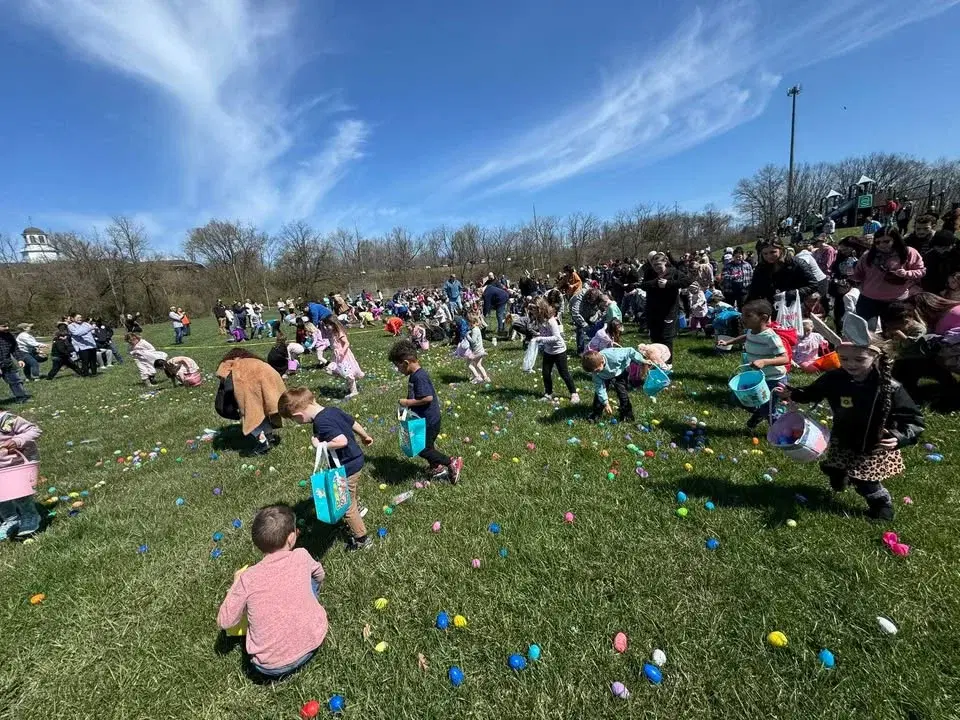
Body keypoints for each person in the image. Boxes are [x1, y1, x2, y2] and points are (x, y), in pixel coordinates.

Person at [775, 314, 923, 521]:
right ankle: (838, 473)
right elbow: (812, 392)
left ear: (875, 358)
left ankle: (881, 505)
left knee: (865, 481)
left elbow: (913, 420)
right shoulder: (835, 378)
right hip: (843, 436)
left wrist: (899, 436)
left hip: (874, 442)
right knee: (837, 465)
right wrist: (793, 393)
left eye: (859, 359)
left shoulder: (890, 388)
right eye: (844, 359)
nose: (850, 364)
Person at [217, 504, 328, 679]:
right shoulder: (301, 555)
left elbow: (225, 621)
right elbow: (319, 575)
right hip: (314, 642)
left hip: (271, 667)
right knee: (310, 581)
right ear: (292, 537)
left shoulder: (248, 578)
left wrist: (236, 583)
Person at [278, 387, 373, 551]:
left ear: (298, 416)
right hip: (356, 459)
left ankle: (362, 538)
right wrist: (365, 436)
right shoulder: (332, 410)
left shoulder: (321, 422)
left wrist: (320, 444)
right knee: (350, 493)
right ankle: (358, 509)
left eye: (294, 420)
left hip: (347, 466)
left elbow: (341, 441)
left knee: (345, 505)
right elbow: (353, 423)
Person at [388, 340, 463, 482]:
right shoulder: (414, 375)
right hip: (424, 419)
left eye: (397, 366)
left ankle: (451, 461)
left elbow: (427, 398)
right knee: (427, 446)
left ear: (405, 362)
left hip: (429, 420)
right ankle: (436, 467)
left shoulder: (419, 377)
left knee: (421, 448)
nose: (398, 370)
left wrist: (407, 402)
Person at [717, 299, 790, 430]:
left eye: (748, 316)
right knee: (737, 399)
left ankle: (782, 431)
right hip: (759, 378)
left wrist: (765, 362)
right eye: (742, 314)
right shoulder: (752, 330)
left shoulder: (770, 337)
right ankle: (760, 412)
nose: (742, 318)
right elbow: (746, 337)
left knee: (768, 410)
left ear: (763, 318)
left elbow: (785, 359)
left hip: (775, 379)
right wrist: (729, 342)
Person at [215, 348, 287, 456]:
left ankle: (262, 441)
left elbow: (226, 382)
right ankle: (269, 435)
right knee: (262, 412)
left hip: (249, 387)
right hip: (269, 380)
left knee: (251, 415)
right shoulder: (256, 361)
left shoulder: (230, 364)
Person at [851, 227, 925, 324]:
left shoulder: (908, 252)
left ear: (895, 239)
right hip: (869, 299)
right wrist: (851, 275)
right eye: (877, 242)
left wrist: (907, 273)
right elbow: (858, 275)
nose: (882, 245)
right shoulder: (868, 255)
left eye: (886, 241)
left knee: (894, 331)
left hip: (896, 301)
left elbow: (921, 271)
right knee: (865, 330)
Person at [0, 408, 42, 538]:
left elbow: (34, 430)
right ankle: (11, 519)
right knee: (1, 498)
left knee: (20, 494)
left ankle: (31, 516)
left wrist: (17, 441)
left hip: (15, 465)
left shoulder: (6, 420)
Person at [641, 253, 690, 363]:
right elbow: (643, 285)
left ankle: (668, 363)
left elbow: (687, 281)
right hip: (653, 309)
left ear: (665, 262)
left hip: (669, 310)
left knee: (666, 337)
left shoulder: (673, 272)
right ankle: (656, 360)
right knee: (655, 336)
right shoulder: (649, 272)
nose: (656, 267)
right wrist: (655, 283)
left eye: (658, 264)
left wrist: (669, 283)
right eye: (654, 265)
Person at [528, 298, 579, 404]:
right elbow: (544, 333)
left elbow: (556, 337)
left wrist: (541, 339)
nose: (531, 311)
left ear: (540, 309)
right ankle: (548, 393)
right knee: (545, 373)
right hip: (548, 350)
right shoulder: (539, 319)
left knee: (564, 372)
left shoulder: (551, 321)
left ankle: (574, 393)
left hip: (559, 351)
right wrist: (538, 336)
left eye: (533, 308)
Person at [581, 346, 648, 422]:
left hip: (620, 370)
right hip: (604, 376)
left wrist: (642, 360)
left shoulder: (614, 356)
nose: (595, 373)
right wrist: (606, 403)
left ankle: (626, 414)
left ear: (602, 362)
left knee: (622, 392)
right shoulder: (596, 373)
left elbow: (630, 351)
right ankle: (596, 413)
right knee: (598, 394)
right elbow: (600, 388)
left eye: (596, 370)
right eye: (593, 372)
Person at [746, 240, 819, 307]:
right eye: (765, 253)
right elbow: (754, 291)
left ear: (781, 250)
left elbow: (813, 285)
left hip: (796, 306)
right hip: (772, 306)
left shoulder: (797, 264)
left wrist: (789, 294)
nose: (769, 256)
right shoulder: (761, 268)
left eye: (773, 252)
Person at [320, 317, 364, 398]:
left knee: (347, 373)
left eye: (328, 325)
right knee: (330, 370)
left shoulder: (339, 332)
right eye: (325, 325)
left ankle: (354, 391)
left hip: (343, 356)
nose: (326, 327)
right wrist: (322, 325)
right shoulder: (332, 332)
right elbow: (323, 335)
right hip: (337, 356)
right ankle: (349, 384)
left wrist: (342, 351)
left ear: (333, 324)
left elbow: (347, 343)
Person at [453, 313, 490, 384]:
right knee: (478, 365)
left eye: (470, 324)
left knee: (469, 365)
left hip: (476, 351)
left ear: (475, 322)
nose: (469, 325)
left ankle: (477, 377)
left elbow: (473, 341)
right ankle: (485, 377)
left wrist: (467, 335)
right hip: (480, 350)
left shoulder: (475, 330)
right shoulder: (476, 329)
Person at [0, 322, 29, 404]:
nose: (7, 328)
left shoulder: (9, 336)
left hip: (7, 363)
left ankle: (21, 398)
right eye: (4, 326)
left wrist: (19, 359)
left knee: (15, 380)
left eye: (8, 326)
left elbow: (15, 348)